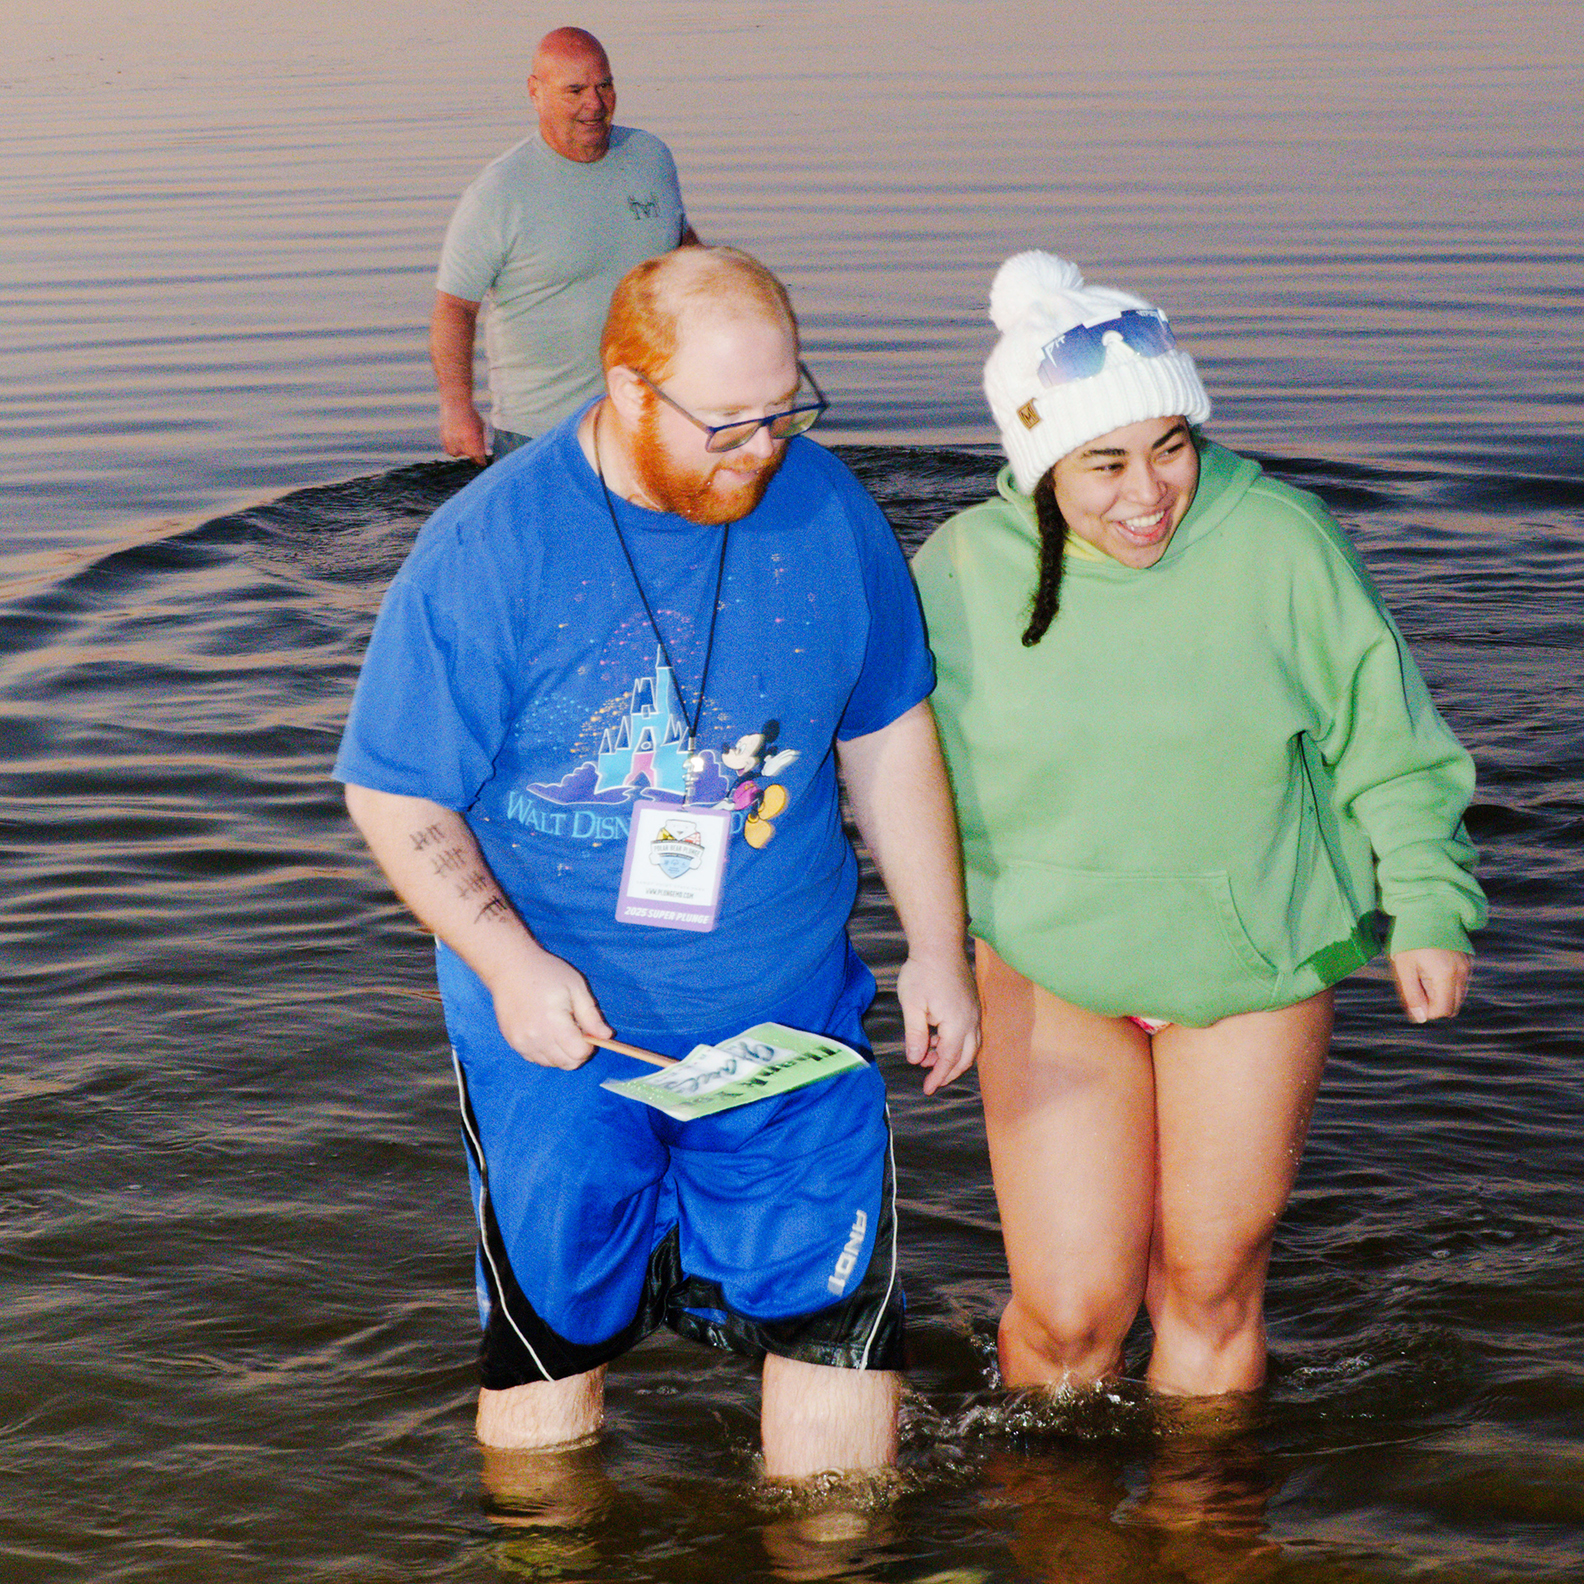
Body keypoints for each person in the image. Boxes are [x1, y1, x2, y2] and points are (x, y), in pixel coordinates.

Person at [337, 245, 979, 1476]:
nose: (762, 448)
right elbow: (395, 788)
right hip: (561, 1037)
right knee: (551, 1343)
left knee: (837, 1328)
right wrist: (508, 963)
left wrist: (937, 953)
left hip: (788, 1022)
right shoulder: (491, 548)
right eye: (726, 422)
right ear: (628, 390)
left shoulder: (830, 509)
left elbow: (890, 735)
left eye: (786, 411)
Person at [911, 251, 1485, 1401]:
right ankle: (1051, 1535)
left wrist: (1428, 903)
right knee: (1073, 1316)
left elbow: (1388, 738)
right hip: (1050, 960)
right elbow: (893, 775)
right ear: (1035, 463)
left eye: (1172, 445)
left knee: (1211, 1284)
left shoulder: (1282, 541)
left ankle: (1206, 1538)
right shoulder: (960, 574)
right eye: (1105, 461)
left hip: (1254, 957)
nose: (1148, 492)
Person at [430, 27, 700, 465]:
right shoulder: (499, 192)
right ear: (535, 92)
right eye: (575, 90)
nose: (594, 104)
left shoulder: (650, 157)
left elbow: (686, 255)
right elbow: (455, 308)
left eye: (605, 85)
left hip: (646, 423)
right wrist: (457, 407)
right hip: (539, 438)